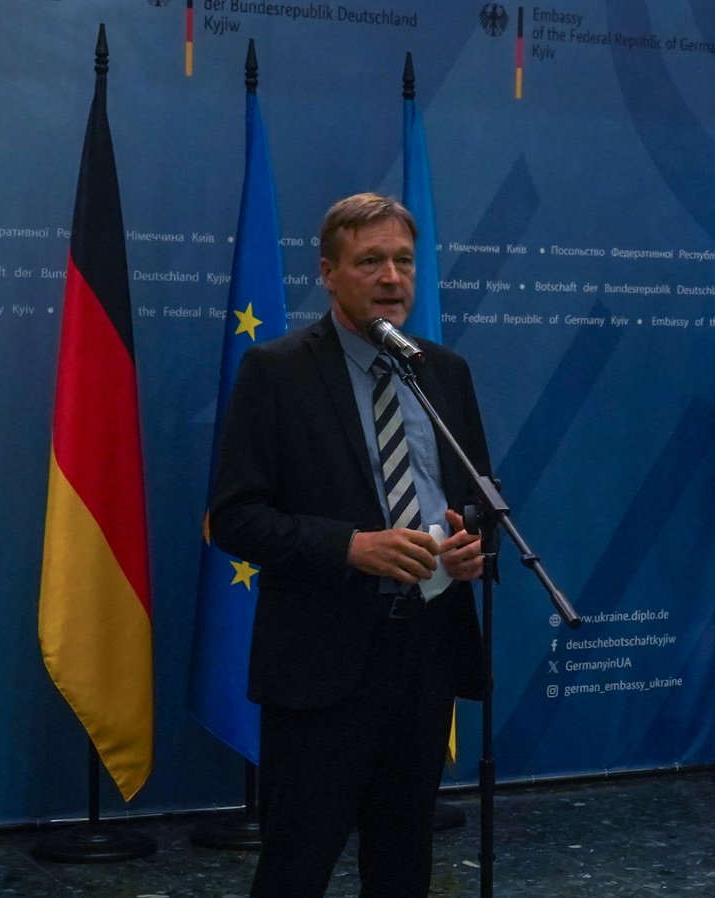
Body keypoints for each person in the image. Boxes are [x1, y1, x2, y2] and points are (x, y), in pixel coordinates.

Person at [209, 193, 491, 898]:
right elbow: (234, 517)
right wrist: (349, 546)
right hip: (322, 661)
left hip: (424, 652)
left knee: (402, 865)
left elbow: (477, 499)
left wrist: (471, 546)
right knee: (297, 865)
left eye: (404, 261)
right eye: (370, 262)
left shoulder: (444, 371)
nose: (392, 277)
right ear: (329, 274)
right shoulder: (278, 371)